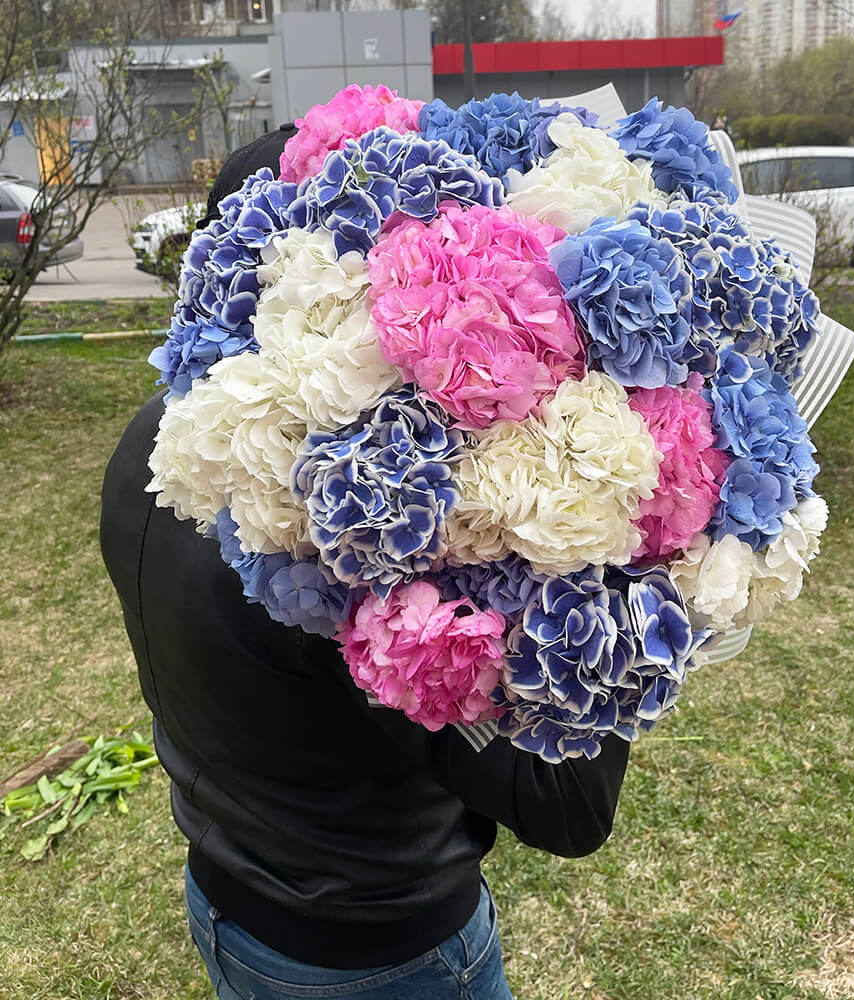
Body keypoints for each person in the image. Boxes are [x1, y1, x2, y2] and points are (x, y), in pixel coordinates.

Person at [100, 129, 631, 1000]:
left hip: (227, 888)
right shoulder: (344, 546)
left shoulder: (151, 445)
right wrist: (620, 572)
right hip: (373, 953)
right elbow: (564, 803)